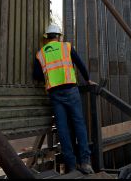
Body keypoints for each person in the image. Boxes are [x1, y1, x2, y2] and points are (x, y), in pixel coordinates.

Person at [33, 23, 95, 175]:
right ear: (59, 36)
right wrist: (87, 80)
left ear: (47, 37)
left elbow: (37, 75)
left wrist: (49, 76)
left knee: (63, 129)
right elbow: (80, 64)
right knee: (79, 124)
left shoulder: (40, 54)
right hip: (71, 90)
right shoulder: (66, 47)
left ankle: (72, 165)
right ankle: (85, 163)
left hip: (55, 94)